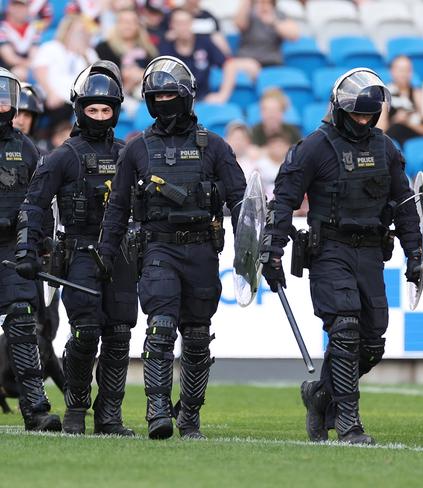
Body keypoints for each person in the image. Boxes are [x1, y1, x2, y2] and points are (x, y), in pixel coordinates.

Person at [261, 68, 423, 444]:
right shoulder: (313, 147)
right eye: (356, 114)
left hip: (370, 252)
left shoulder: (385, 148)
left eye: (369, 115)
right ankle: (349, 423)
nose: (362, 121)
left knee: (372, 342)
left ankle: (320, 395)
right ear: (338, 109)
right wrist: (272, 250)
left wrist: (415, 250)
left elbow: (404, 203)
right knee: (345, 330)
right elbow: (283, 200)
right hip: (329, 250)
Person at [98, 55, 246, 440]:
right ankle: (158, 410)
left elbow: (242, 202)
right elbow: (117, 208)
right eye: (156, 95)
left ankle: (190, 417)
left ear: (185, 96)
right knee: (160, 330)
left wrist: (257, 249)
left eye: (169, 94)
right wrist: (106, 253)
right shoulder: (136, 149)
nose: (163, 101)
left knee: (197, 337)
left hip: (202, 251)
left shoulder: (215, 146)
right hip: (158, 249)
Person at [14, 60, 137, 436]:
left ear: (115, 111)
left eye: (106, 109)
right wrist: (27, 250)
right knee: (85, 332)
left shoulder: (128, 153)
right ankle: (76, 408)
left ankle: (110, 415)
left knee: (119, 334)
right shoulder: (62, 156)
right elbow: (34, 206)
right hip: (80, 252)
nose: (99, 116)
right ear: (79, 110)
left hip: (120, 254)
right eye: (92, 109)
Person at [0, 67, 61, 432]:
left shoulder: (27, 150)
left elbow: (43, 204)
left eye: (4, 96)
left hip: (13, 249)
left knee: (23, 324)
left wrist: (43, 244)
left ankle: (35, 409)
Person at [211, 0, 300, 104]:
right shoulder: (249, 13)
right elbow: (239, 23)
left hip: (272, 65)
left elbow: (294, 35)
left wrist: (273, 21)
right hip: (247, 63)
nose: (263, 4)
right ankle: (222, 97)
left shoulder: (278, 14)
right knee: (232, 65)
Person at [31, 14, 98, 133]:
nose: (79, 35)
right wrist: (51, 93)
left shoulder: (89, 53)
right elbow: (39, 71)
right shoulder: (51, 47)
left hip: (74, 100)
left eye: (83, 32)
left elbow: (96, 77)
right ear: (67, 31)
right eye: (77, 31)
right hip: (49, 95)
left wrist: (84, 55)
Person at [158, 8, 226, 102]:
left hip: (203, 99)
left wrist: (223, 94)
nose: (183, 27)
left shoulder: (204, 42)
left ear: (192, 23)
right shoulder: (165, 47)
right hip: (175, 102)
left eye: (186, 22)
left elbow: (229, 64)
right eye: (179, 23)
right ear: (172, 25)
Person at [95, 8, 158, 99]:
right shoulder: (103, 48)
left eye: (132, 22)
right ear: (117, 24)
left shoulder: (148, 49)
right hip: (113, 98)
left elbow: (156, 74)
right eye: (124, 21)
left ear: (138, 25)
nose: (128, 25)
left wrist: (141, 74)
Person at [377, 55, 423, 147]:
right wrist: (395, 120)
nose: (404, 74)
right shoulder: (385, 94)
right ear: (392, 71)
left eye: (407, 70)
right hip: (392, 137)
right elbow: (380, 130)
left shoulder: (417, 93)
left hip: (415, 137)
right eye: (401, 70)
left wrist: (407, 121)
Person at [0, 0, 40, 81]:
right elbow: (10, 59)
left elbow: (34, 53)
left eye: (22, 6)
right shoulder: (2, 28)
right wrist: (31, 64)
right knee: (18, 73)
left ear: (28, 9)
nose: (18, 9)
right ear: (9, 7)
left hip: (27, 68)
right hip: (6, 70)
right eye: (15, 5)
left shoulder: (33, 29)